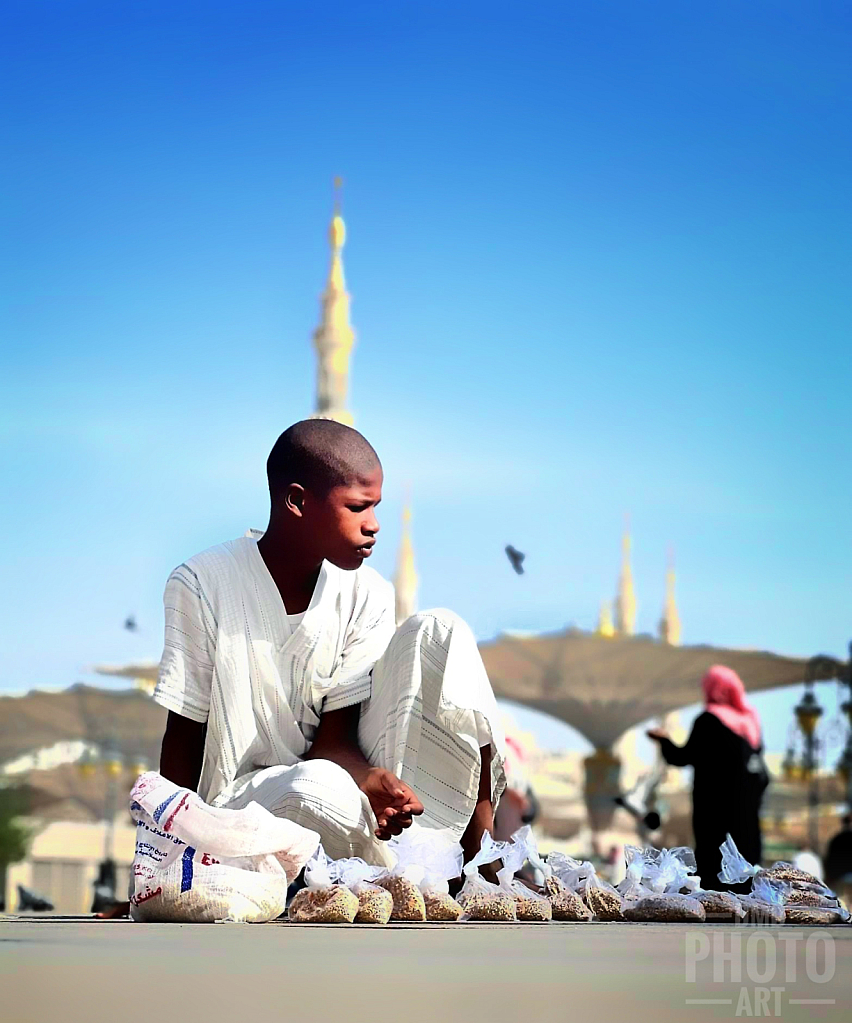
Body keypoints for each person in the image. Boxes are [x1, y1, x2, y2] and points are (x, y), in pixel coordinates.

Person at [154, 420, 506, 869]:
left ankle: (478, 860)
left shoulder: (368, 593)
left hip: (338, 783)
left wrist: (368, 778)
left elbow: (333, 739)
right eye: (358, 508)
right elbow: (183, 736)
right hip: (243, 809)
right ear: (298, 501)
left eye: (376, 507)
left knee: (444, 629)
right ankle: (386, 868)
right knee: (316, 787)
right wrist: (164, 862)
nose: (374, 526)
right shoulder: (202, 582)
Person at [647, 665, 768, 891]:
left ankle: (717, 901)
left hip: (714, 805)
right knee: (745, 850)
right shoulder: (749, 723)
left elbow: (683, 756)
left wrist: (663, 740)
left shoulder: (708, 721)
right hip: (747, 806)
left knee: (713, 852)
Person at [824, 815, 852, 899]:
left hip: (839, 878)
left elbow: (829, 860)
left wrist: (829, 878)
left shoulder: (836, 839)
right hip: (842, 876)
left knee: (843, 904)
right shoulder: (837, 839)